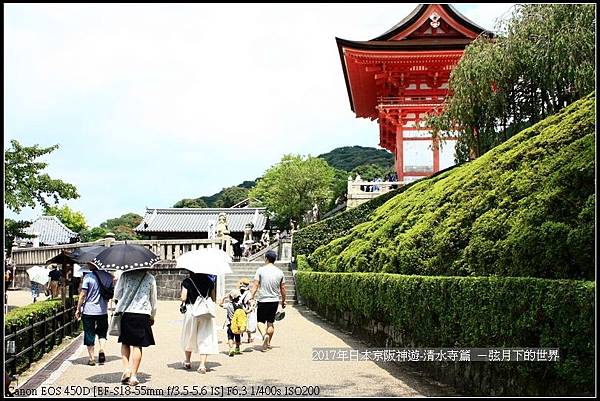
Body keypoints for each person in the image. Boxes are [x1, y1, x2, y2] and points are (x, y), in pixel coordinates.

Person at [113, 269, 158, 386]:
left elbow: (117, 294)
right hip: (143, 313)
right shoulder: (150, 278)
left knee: (125, 342)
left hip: (127, 312)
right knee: (137, 345)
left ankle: (126, 369)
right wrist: (152, 315)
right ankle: (134, 376)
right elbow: (153, 299)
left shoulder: (125, 275)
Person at [75, 265, 114, 366]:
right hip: (102, 310)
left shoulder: (88, 277)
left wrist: (78, 309)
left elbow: (83, 295)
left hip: (89, 310)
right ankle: (102, 348)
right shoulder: (109, 277)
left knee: (89, 333)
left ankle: (92, 358)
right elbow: (110, 294)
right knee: (102, 332)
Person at [180, 272, 217, 374]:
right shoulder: (210, 281)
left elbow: (183, 297)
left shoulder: (187, 281)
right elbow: (213, 298)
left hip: (191, 311)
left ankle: (187, 361)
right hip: (205, 312)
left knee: (189, 335)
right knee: (205, 337)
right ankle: (202, 365)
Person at [250, 250, 286, 351]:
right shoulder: (280, 272)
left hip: (263, 300)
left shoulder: (260, 270)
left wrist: (251, 296)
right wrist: (283, 301)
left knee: (260, 322)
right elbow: (283, 288)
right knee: (270, 323)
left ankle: (264, 335)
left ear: (266, 258)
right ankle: (268, 343)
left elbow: (255, 285)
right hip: (274, 301)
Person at [219, 289, 243, 357]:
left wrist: (224, 298)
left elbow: (220, 304)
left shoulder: (228, 305)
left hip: (230, 324)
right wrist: (251, 307)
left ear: (231, 297)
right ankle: (237, 348)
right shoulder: (240, 305)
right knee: (237, 337)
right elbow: (245, 311)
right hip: (238, 325)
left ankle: (231, 348)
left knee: (230, 337)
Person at [239, 278, 257, 343]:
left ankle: (239, 338)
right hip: (247, 309)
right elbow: (250, 301)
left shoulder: (240, 291)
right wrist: (251, 308)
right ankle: (249, 338)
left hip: (240, 309)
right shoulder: (248, 292)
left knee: (241, 323)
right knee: (248, 324)